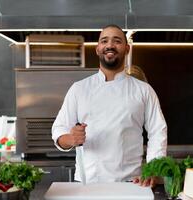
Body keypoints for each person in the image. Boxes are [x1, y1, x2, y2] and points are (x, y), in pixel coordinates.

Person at [52, 24, 167, 187]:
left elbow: (157, 131)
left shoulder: (144, 90)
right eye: (104, 41)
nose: (110, 45)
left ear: (126, 49)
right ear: (98, 49)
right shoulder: (79, 89)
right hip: (88, 182)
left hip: (132, 182)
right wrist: (71, 139)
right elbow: (59, 129)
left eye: (117, 41)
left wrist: (153, 169)